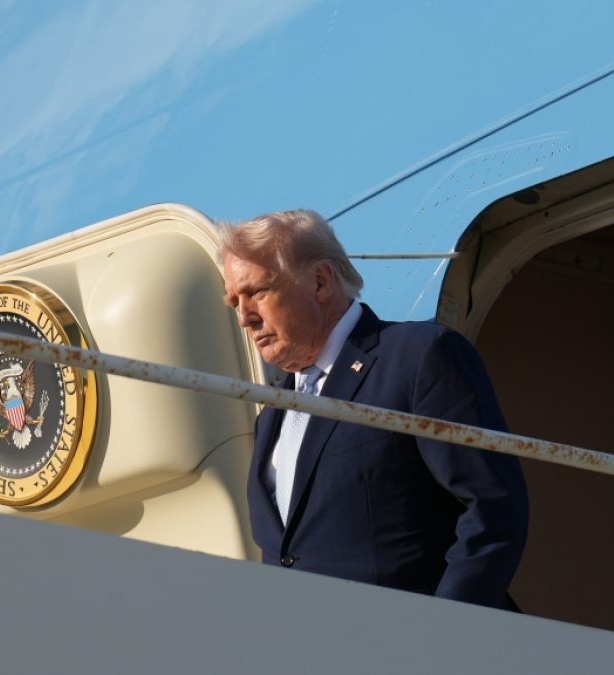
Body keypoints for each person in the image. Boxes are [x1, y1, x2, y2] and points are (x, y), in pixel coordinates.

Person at [219, 208, 529, 609]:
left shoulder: (418, 357)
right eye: (234, 302)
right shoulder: (272, 417)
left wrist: (446, 627)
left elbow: (492, 506)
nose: (244, 316)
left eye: (257, 291)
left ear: (320, 282)